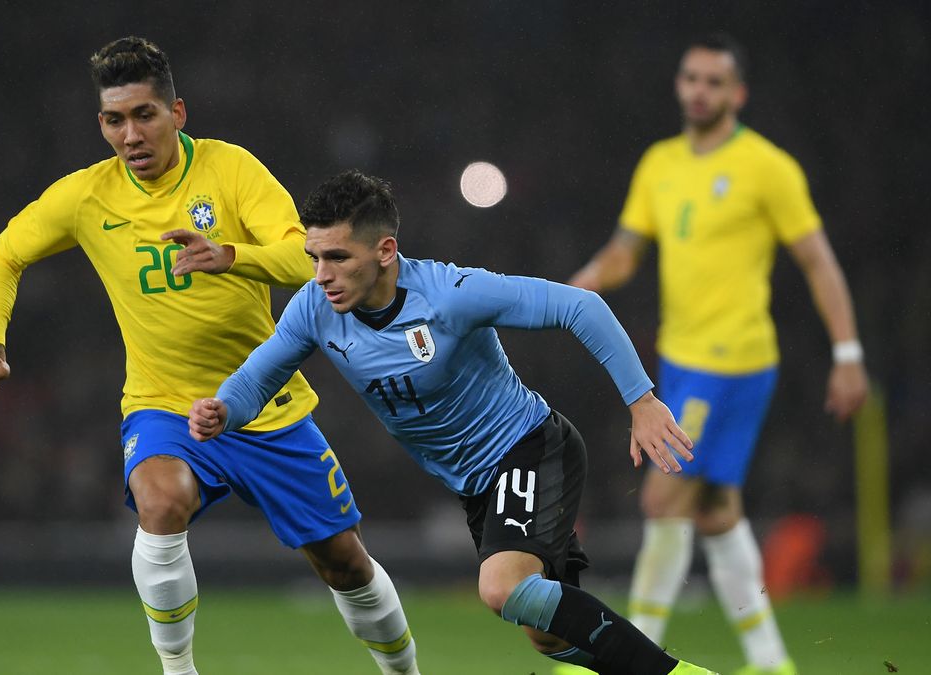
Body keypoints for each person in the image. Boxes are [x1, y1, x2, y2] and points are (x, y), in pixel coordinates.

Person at [0, 37, 419, 675]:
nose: (131, 134)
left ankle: (405, 672)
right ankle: (178, 673)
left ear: (177, 113)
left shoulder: (230, 171)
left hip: (266, 406)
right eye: (115, 120)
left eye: (144, 115)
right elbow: (4, 254)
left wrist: (231, 254)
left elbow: (303, 256)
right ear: (101, 125)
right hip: (164, 405)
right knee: (159, 501)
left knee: (343, 562)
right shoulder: (88, 196)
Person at [189, 170, 718, 675]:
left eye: (337, 257)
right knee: (548, 633)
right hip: (475, 486)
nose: (321, 274)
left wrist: (641, 400)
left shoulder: (450, 295)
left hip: (529, 446)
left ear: (385, 252)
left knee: (501, 588)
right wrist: (224, 409)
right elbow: (257, 378)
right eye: (314, 257)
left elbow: (579, 306)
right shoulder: (314, 308)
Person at [568, 33, 869, 675]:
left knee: (660, 499)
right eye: (691, 78)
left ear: (738, 93)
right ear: (679, 84)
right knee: (714, 511)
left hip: (732, 361)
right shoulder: (659, 163)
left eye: (714, 81)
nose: (699, 90)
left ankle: (628, 657)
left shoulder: (767, 167)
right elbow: (626, 250)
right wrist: (580, 283)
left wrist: (847, 352)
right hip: (681, 359)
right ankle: (770, 660)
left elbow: (818, 261)